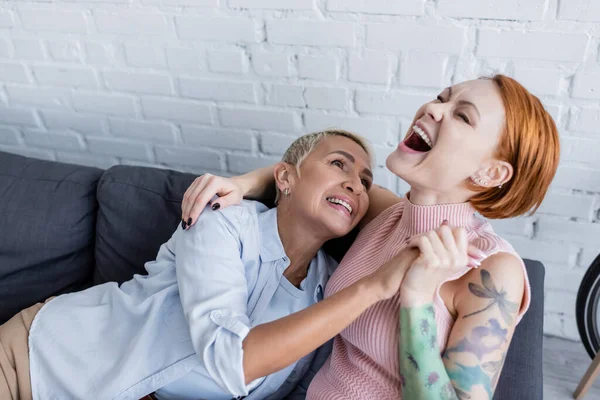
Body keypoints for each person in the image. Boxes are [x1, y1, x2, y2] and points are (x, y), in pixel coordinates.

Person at [180, 75, 560, 399]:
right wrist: (239, 183)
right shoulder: (389, 214)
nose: (433, 108)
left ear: (490, 174)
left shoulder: (493, 270)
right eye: (442, 97)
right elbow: (307, 175)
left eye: (462, 116)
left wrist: (417, 299)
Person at [0, 130, 425, 400]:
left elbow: (416, 221)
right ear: (286, 178)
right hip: (40, 360)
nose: (356, 183)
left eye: (366, 182)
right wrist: (372, 288)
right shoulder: (222, 221)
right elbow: (231, 360)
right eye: (338, 164)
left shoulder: (328, 289)